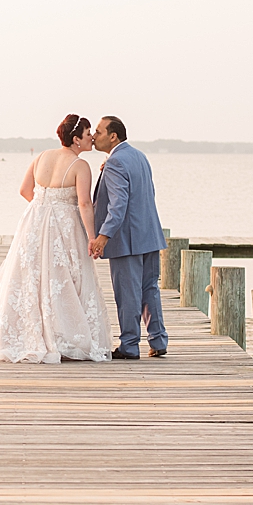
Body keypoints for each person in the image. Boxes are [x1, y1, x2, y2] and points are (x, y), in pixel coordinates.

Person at [0, 115, 112, 363]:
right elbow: (84, 203)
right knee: (65, 277)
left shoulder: (41, 157)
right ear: (76, 139)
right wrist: (92, 237)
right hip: (65, 226)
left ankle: (27, 335)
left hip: (34, 223)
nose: (91, 137)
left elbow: (24, 190)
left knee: (32, 278)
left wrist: (44, 208)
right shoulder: (80, 166)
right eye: (87, 133)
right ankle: (65, 337)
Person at [89, 116, 168, 359]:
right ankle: (158, 340)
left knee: (128, 293)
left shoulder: (115, 163)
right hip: (149, 233)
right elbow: (147, 193)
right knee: (149, 289)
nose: (94, 136)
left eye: (99, 132)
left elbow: (118, 205)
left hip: (127, 239)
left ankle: (130, 345)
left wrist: (103, 235)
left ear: (113, 136)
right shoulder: (138, 156)